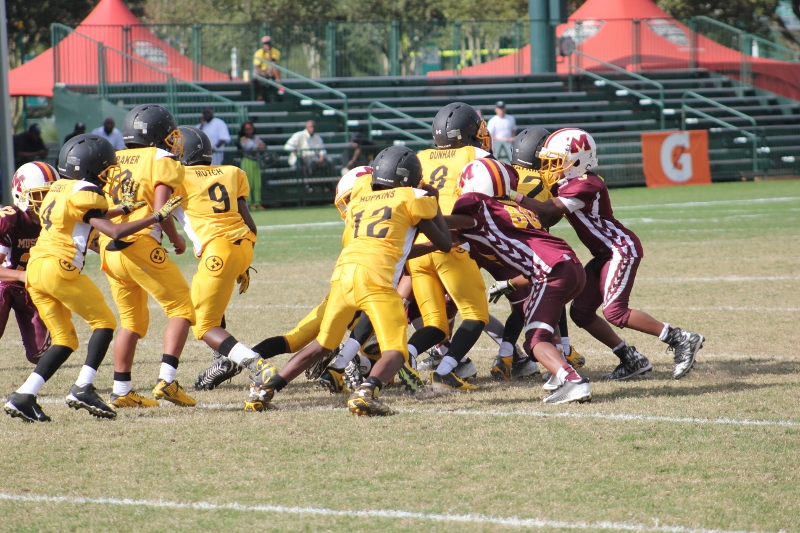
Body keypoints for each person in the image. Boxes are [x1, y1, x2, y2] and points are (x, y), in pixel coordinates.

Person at [243, 146, 452, 416]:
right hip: (375, 280)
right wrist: (433, 201)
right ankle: (365, 393)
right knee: (396, 350)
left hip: (343, 275)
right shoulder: (411, 198)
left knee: (322, 345)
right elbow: (445, 243)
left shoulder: (359, 200)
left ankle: (264, 391)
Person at [4, 134, 182, 423]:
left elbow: (83, 216)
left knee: (65, 340)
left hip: (35, 270)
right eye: (105, 168)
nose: (108, 174)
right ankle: (83, 387)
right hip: (59, 268)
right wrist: (156, 216)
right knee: (105, 323)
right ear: (91, 168)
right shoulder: (86, 192)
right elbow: (113, 231)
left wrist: (123, 209)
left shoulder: (59, 189)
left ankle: (24, 395)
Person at [515, 128, 705, 382]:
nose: (550, 168)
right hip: (604, 254)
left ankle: (680, 338)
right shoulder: (568, 184)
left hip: (619, 249)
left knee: (615, 312)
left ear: (578, 160)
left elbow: (548, 210)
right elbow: (548, 217)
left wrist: (512, 195)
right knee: (581, 312)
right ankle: (630, 358)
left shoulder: (587, 183)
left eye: (556, 162)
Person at [447, 157, 592, 404]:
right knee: (543, 324)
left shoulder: (480, 208)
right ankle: (558, 373)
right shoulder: (516, 209)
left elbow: (446, 224)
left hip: (551, 272)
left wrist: (416, 218)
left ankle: (573, 381)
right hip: (571, 266)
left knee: (535, 340)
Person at [100, 104, 197, 409]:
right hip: (140, 244)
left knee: (131, 322)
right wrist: (176, 238)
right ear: (157, 134)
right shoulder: (161, 158)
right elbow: (160, 210)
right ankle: (167, 381)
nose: (174, 140)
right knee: (182, 307)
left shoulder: (114, 158)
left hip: (109, 247)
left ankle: (121, 390)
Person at [169, 126, 274, 392]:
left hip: (218, 251)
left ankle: (250, 362)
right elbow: (250, 223)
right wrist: (241, 263)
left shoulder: (177, 176)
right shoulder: (232, 172)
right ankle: (221, 360)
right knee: (212, 301)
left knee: (202, 324)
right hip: (244, 245)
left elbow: (161, 210)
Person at [406, 102, 492, 391]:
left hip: (417, 248)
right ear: (466, 134)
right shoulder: (476, 155)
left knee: (436, 324)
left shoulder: (419, 157)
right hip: (450, 244)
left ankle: (405, 356)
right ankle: (445, 372)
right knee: (476, 314)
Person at [0, 162, 57, 365]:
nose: (46, 201)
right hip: (5, 282)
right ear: (20, 192)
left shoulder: (57, 219)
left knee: (39, 354)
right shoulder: (10, 220)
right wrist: (22, 275)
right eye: (40, 194)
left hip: (33, 288)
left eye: (50, 194)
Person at [237, 121, 266, 209]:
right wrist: (258, 147)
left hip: (256, 161)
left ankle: (258, 202)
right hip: (247, 161)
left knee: (257, 183)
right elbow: (250, 147)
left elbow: (263, 146)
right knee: (248, 182)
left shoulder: (256, 138)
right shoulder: (243, 139)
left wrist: (260, 147)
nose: (249, 131)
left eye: (250, 129)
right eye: (247, 129)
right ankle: (249, 203)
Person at [252, 36, 284, 102]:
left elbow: (273, 62)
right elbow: (257, 66)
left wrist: (269, 53)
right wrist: (262, 73)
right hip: (261, 71)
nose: (267, 45)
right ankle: (260, 95)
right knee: (256, 77)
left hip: (270, 70)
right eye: (265, 43)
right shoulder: (258, 53)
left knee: (274, 66)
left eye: (268, 43)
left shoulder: (276, 52)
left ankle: (279, 85)